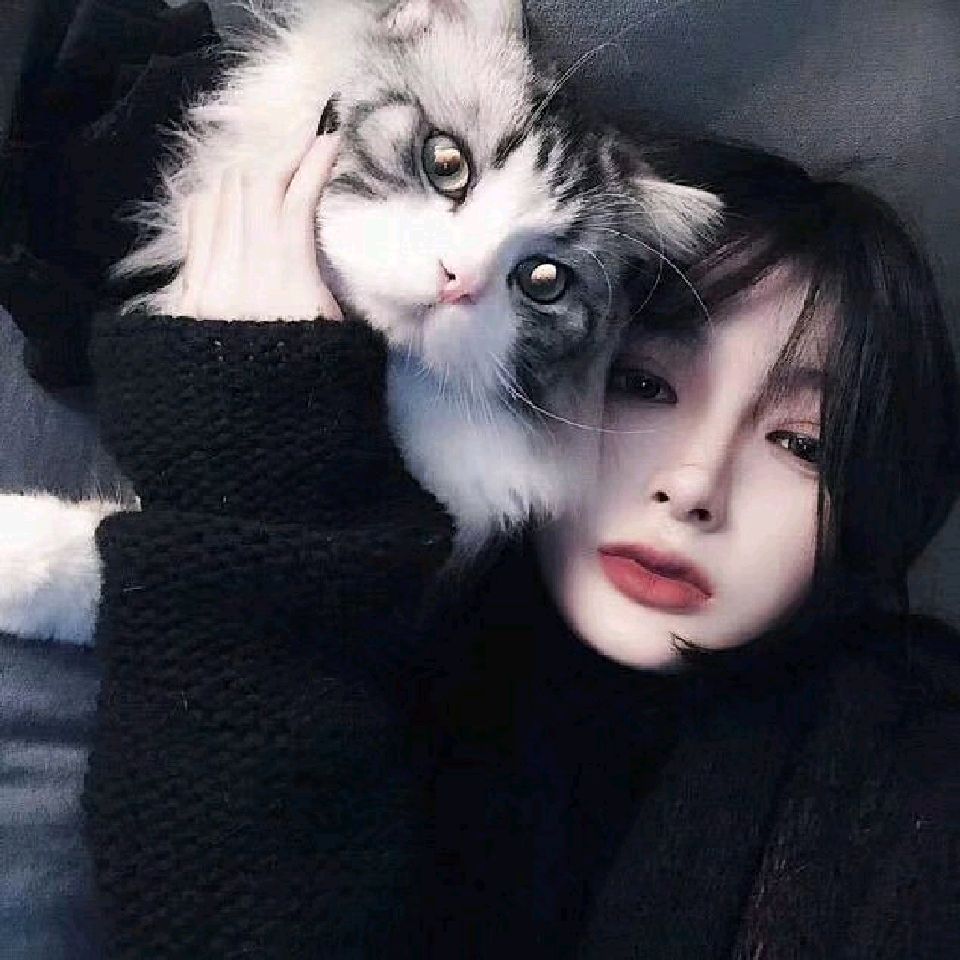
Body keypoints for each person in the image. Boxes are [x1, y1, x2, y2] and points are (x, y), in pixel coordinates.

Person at [53, 131, 952, 958]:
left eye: (801, 444)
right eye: (642, 384)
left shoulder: (910, 768)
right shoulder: (388, 657)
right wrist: (259, 474)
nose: (693, 486)